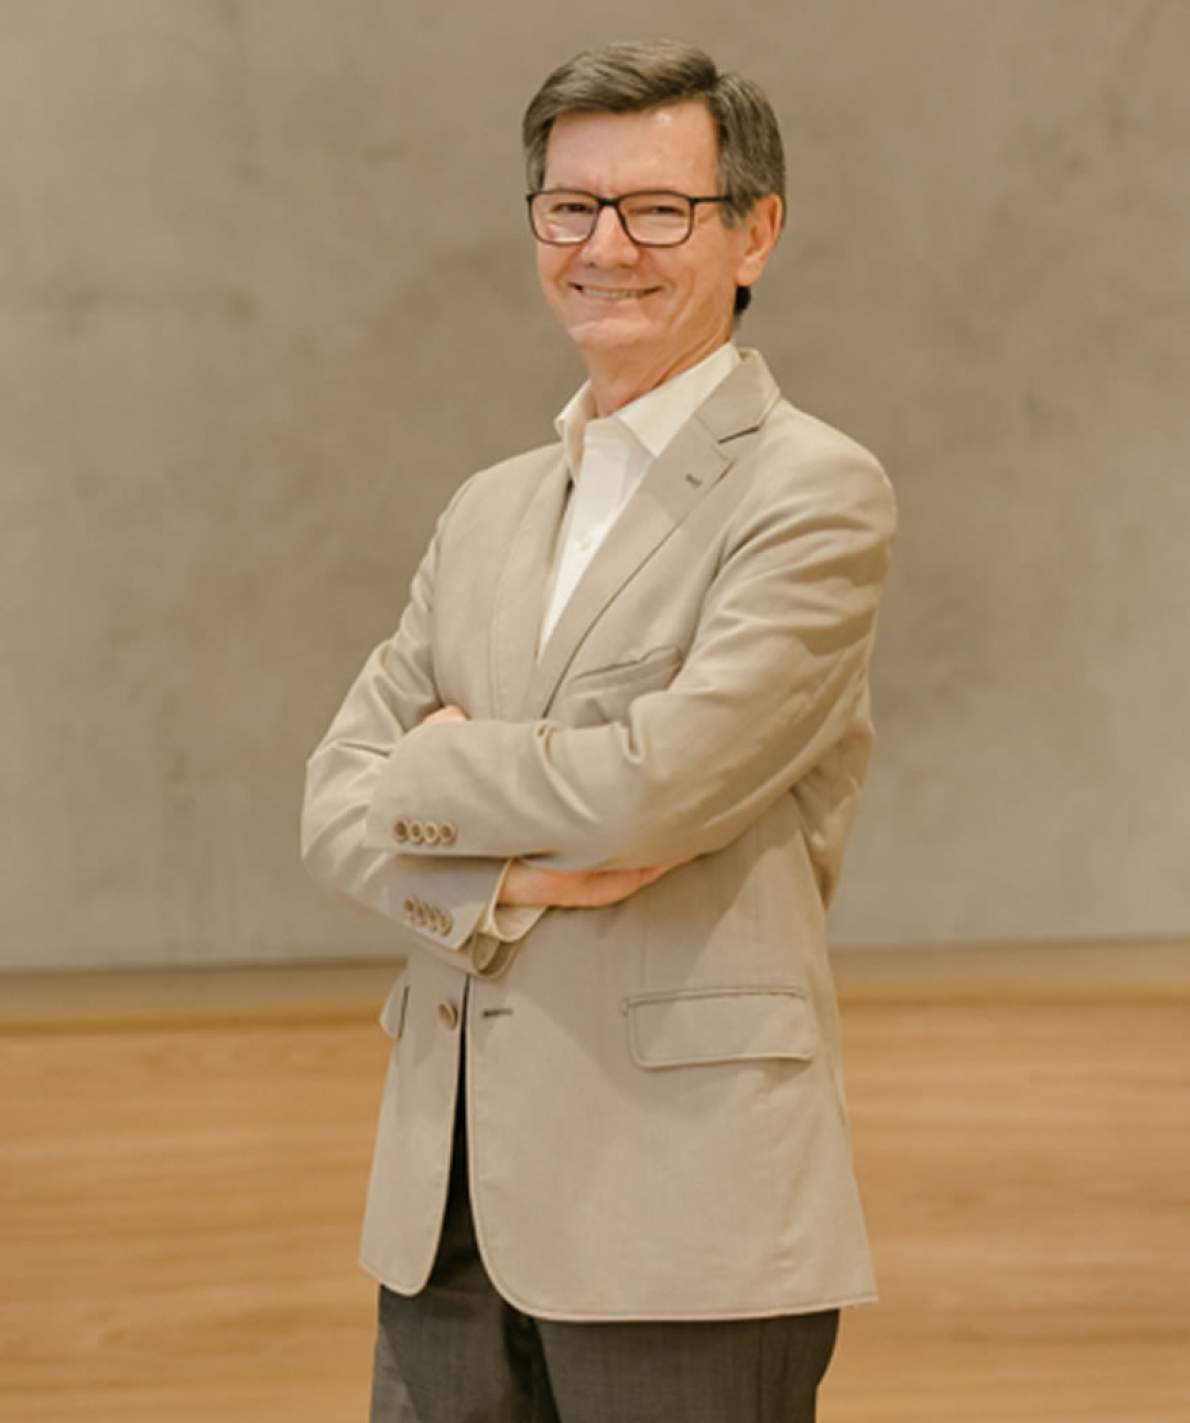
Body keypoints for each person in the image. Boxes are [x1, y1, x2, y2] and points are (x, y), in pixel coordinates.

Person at [302, 39, 896, 1423]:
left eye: (658, 209)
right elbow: (331, 804)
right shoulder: (487, 506)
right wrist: (511, 876)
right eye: (570, 206)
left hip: (681, 1211)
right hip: (443, 1211)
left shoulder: (813, 492)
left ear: (754, 232)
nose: (604, 246)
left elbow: (653, 791)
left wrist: (431, 768)